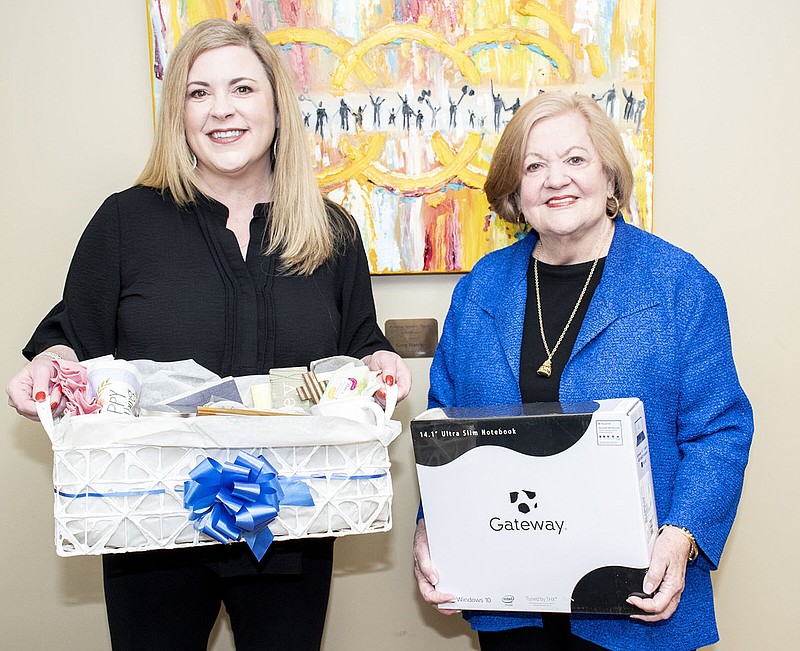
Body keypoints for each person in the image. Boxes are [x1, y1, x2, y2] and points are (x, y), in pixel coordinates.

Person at [6, 18, 411, 651]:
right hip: (149, 523)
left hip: (293, 524)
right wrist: (47, 369)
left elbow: (360, 342)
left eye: (242, 89)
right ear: (179, 113)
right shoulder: (125, 221)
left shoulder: (331, 231)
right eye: (198, 93)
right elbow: (70, 340)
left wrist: (382, 361)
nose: (221, 110)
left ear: (276, 103)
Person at [412, 92, 752, 651]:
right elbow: (443, 430)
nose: (555, 179)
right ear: (515, 193)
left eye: (575, 159)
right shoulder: (479, 288)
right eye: (534, 165)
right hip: (513, 604)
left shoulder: (678, 284)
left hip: (636, 605)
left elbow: (721, 429)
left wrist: (683, 535)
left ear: (610, 177)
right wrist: (433, 527)